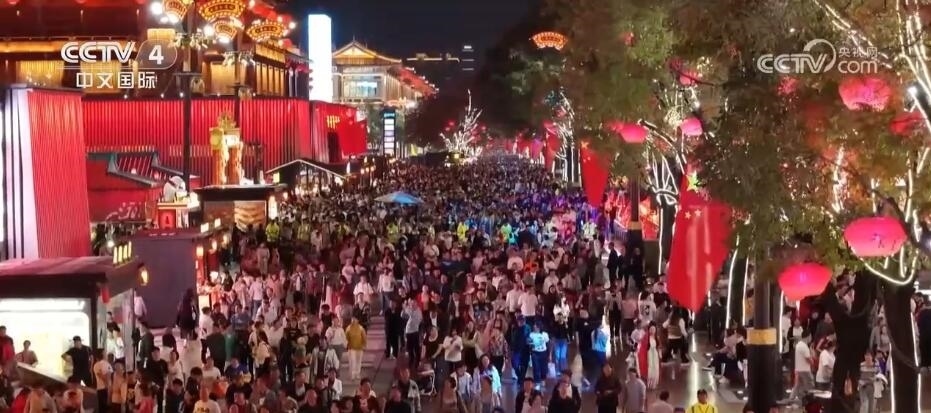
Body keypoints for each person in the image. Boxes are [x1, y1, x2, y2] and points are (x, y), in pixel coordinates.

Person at [791, 333, 814, 402]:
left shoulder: (798, 344)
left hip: (798, 368)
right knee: (810, 384)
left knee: (798, 385)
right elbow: (808, 358)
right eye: (810, 336)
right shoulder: (804, 346)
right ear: (808, 336)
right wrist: (812, 362)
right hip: (805, 369)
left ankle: (792, 399)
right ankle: (808, 400)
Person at [636, 324, 661, 389]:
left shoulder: (656, 337)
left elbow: (658, 346)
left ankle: (654, 383)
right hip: (649, 354)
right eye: (651, 329)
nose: (653, 331)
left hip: (655, 355)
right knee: (650, 367)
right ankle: (649, 382)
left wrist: (659, 353)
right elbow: (643, 346)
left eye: (654, 329)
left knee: (655, 367)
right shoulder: (646, 337)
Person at [345, 316, 367, 381]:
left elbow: (364, 337)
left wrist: (364, 345)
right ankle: (352, 374)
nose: (354, 321)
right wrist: (346, 345)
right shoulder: (348, 328)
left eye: (355, 320)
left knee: (358, 362)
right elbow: (346, 338)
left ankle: (357, 374)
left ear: (357, 321)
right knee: (352, 362)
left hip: (359, 348)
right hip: (351, 348)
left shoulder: (361, 328)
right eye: (352, 320)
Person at [92, 349, 112, 413]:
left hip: (102, 388)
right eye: (105, 353)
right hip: (104, 388)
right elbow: (105, 376)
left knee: (103, 407)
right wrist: (108, 387)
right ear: (102, 354)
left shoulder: (97, 365)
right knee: (105, 407)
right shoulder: (102, 364)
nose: (106, 354)